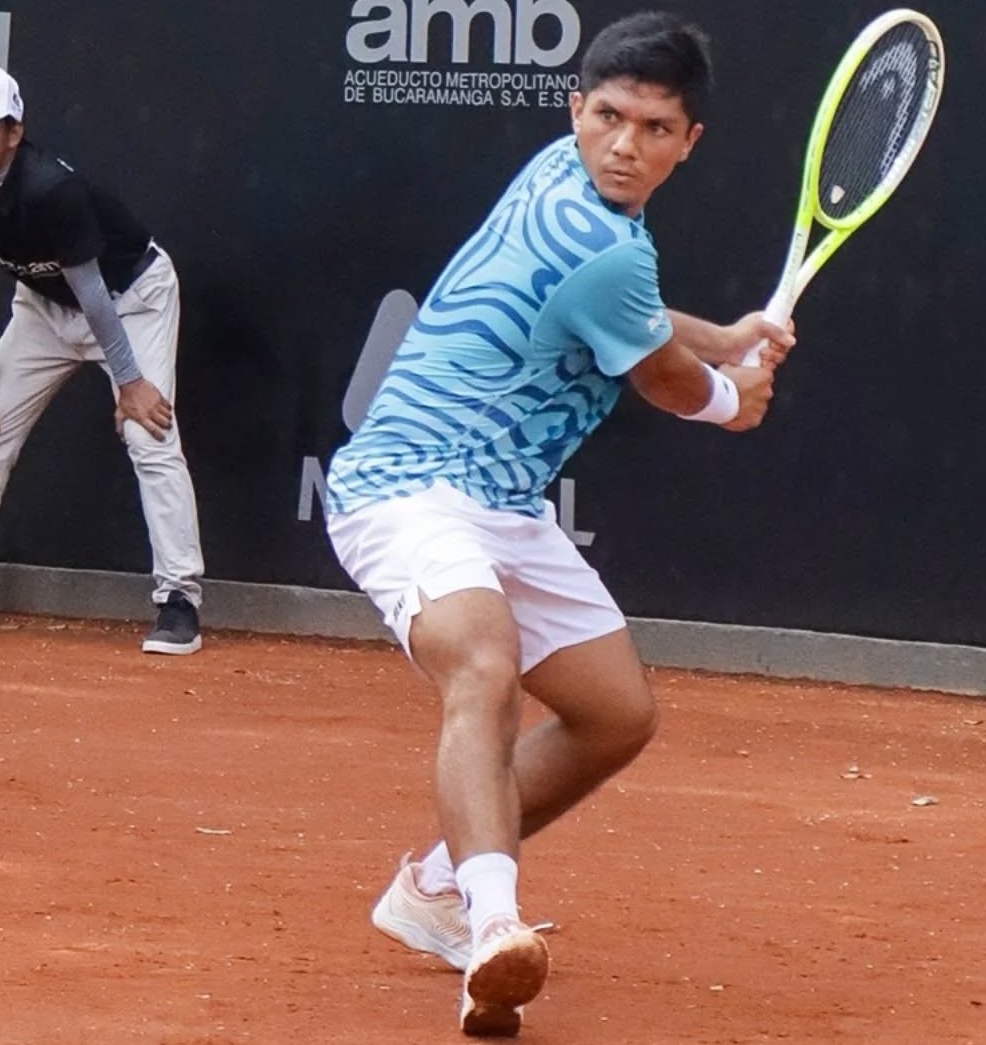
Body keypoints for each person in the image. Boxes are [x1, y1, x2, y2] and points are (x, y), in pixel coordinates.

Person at [324, 11, 795, 1037]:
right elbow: (662, 375)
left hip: (503, 504)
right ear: (575, 108)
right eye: (609, 117)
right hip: (406, 485)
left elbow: (631, 317)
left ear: (689, 141)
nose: (624, 145)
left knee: (615, 714)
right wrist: (731, 398)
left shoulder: (561, 180)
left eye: (654, 128)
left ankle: (435, 888)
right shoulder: (604, 246)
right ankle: (492, 928)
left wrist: (725, 336)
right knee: (482, 661)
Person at [0, 63, 205, 655]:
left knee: (149, 433)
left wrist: (130, 382)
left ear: (14, 133)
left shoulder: (52, 188)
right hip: (44, 308)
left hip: (131, 300)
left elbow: (93, 292)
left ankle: (179, 599)